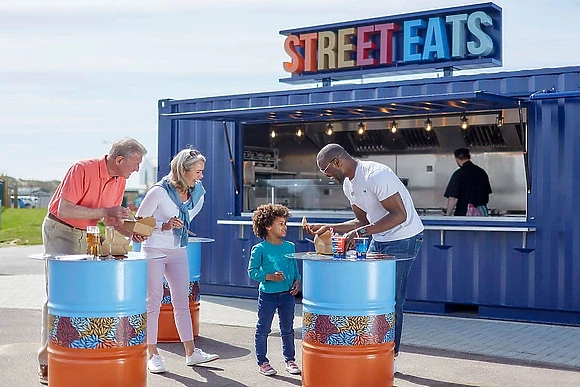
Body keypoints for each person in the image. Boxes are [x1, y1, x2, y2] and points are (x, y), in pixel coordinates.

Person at [303, 143, 423, 374]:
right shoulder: (349, 185)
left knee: (392, 298)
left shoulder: (376, 175)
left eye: (326, 171)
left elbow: (400, 215)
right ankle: (372, 348)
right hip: (379, 236)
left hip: (404, 237)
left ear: (337, 162)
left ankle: (390, 355)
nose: (327, 176)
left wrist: (361, 233)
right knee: (374, 294)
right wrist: (330, 227)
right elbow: (361, 221)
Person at [38, 137, 147, 384]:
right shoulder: (82, 169)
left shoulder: (120, 180)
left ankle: (76, 354)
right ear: (119, 160)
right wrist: (104, 213)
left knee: (81, 295)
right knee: (57, 296)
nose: (137, 169)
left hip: (88, 234)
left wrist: (133, 232)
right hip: (61, 229)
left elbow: (112, 219)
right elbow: (65, 209)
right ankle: (47, 360)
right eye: (135, 163)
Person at [135, 148, 218, 374]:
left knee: (182, 302)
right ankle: (152, 354)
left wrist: (178, 224)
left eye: (202, 171)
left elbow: (188, 216)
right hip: (153, 250)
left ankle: (191, 353)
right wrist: (164, 225)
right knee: (153, 303)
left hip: (178, 251)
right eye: (198, 172)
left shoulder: (197, 193)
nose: (201, 176)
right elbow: (139, 226)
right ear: (183, 170)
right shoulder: (159, 192)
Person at [248, 203, 302, 377]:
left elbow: (294, 267)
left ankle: (290, 360)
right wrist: (269, 276)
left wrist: (297, 282)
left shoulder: (290, 247)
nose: (285, 227)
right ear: (268, 226)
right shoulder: (259, 249)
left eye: (285, 223)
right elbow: (252, 272)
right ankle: (263, 362)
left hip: (287, 295)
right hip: (267, 296)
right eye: (281, 223)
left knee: (288, 329)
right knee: (263, 329)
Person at [444, 148, 492, 216]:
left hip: (464, 214)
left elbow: (453, 198)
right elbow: (487, 193)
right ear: (469, 157)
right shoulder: (482, 172)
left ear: (457, 159)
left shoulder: (458, 174)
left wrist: (448, 214)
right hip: (481, 213)